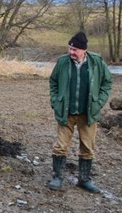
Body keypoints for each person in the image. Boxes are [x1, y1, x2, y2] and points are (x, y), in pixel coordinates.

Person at [48, 31, 112, 193]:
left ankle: (84, 180)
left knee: (87, 147)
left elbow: (107, 83)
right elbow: (53, 82)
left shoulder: (96, 62)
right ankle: (57, 177)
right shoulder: (63, 62)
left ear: (84, 50)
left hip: (88, 114)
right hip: (66, 112)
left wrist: (98, 103)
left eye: (74, 49)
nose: (71, 52)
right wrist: (56, 101)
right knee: (60, 146)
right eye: (70, 48)